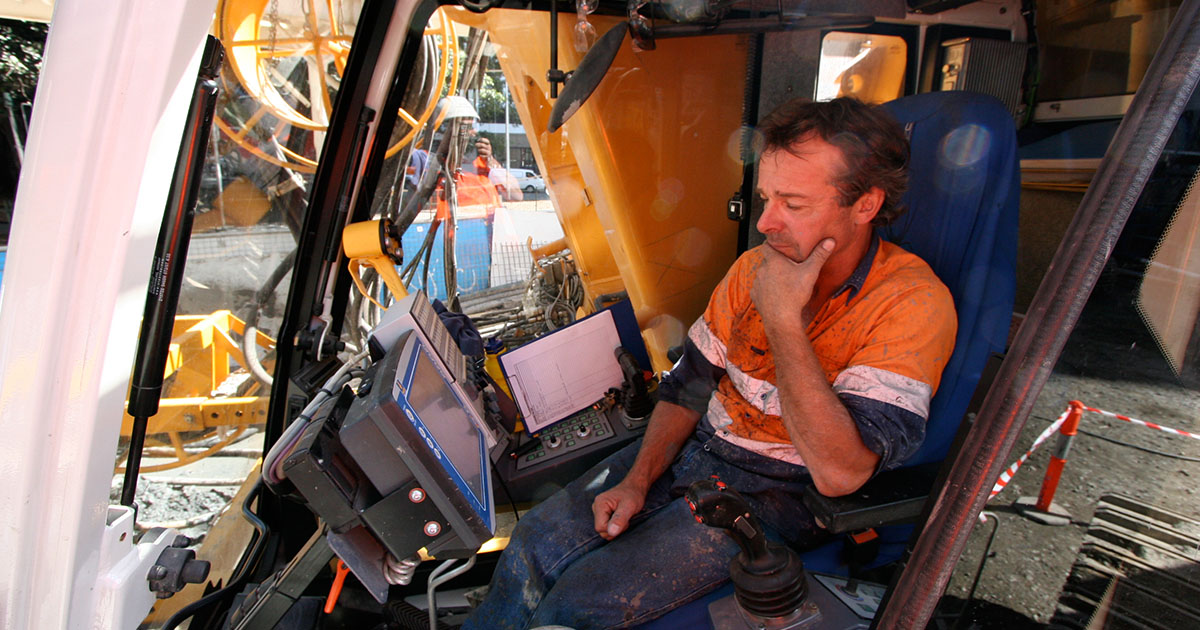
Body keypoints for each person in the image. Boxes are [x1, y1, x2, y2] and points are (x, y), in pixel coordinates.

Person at [461, 97, 957, 630]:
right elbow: (689, 389)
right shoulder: (752, 269)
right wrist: (638, 478)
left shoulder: (910, 304)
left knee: (578, 607)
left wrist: (784, 320)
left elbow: (840, 474)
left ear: (865, 205)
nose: (766, 221)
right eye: (768, 197)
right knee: (531, 542)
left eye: (793, 203)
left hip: (778, 492)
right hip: (696, 453)